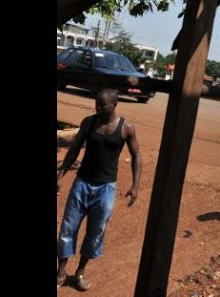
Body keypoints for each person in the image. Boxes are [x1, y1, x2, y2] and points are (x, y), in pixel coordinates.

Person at [56, 88, 142, 291]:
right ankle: (61, 271)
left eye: (102, 104)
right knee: (67, 229)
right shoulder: (89, 122)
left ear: (114, 105)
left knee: (96, 232)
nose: (98, 107)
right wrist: (61, 175)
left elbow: (136, 156)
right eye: (97, 102)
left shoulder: (126, 128)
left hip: (106, 189)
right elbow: (75, 148)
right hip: (82, 184)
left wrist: (135, 185)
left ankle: (80, 272)